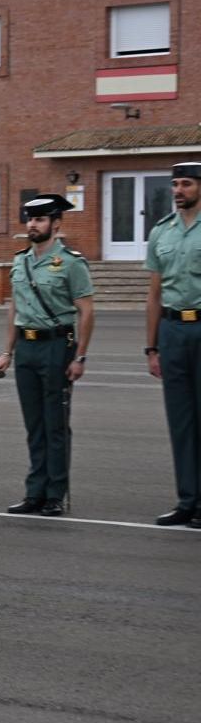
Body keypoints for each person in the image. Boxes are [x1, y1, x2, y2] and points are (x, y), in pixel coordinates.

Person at [0, 194, 94, 517]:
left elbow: (87, 312)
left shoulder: (72, 262)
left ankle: (55, 493)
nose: (32, 225)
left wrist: (80, 357)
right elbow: (15, 309)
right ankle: (34, 491)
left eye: (39, 220)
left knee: (56, 425)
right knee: (34, 424)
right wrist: (7, 351)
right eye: (30, 220)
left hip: (56, 346)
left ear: (56, 224)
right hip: (27, 348)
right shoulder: (20, 261)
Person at [144, 162, 201, 527]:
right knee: (180, 422)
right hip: (172, 331)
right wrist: (151, 348)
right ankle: (188, 499)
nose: (178, 190)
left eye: (186, 184)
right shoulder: (161, 232)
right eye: (175, 184)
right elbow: (153, 294)